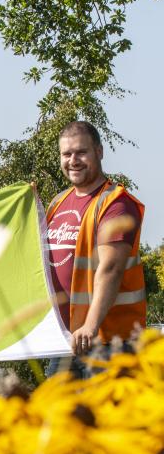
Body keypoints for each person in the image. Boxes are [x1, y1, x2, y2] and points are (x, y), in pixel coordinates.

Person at [45, 121, 145, 377]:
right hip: (66, 342)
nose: (73, 160)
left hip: (109, 343)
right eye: (66, 154)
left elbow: (110, 269)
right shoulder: (58, 203)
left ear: (99, 152)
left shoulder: (116, 204)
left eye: (81, 152)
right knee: (55, 416)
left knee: (109, 417)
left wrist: (90, 325)